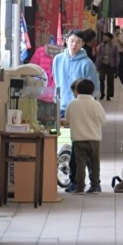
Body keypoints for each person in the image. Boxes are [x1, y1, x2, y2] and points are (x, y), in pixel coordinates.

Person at [52, 30, 100, 192]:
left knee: (78, 146)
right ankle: (65, 177)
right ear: (66, 40)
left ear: (82, 44)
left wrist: (84, 105)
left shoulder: (87, 64)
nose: (74, 44)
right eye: (72, 41)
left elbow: (94, 88)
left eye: (78, 42)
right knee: (57, 143)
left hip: (79, 108)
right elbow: (56, 83)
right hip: (61, 107)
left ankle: (78, 181)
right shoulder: (58, 59)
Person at [62, 79, 106, 194]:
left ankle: (80, 187)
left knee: (80, 163)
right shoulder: (96, 104)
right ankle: (95, 186)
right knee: (94, 163)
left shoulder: (73, 103)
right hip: (94, 139)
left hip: (78, 139)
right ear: (92, 91)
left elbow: (68, 118)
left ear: (76, 90)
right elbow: (103, 120)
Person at [96, 32, 120, 101]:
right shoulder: (101, 46)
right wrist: (97, 66)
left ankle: (109, 95)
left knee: (110, 81)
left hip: (111, 65)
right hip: (102, 64)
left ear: (109, 38)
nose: (104, 38)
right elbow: (98, 56)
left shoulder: (114, 46)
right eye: (104, 37)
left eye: (106, 37)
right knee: (101, 78)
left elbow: (117, 56)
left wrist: (117, 66)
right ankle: (102, 93)